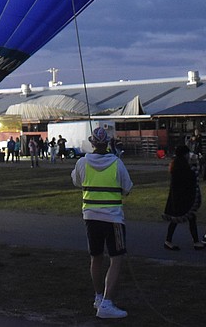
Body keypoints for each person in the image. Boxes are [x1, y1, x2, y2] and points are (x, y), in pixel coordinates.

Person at [72, 126, 132, 320]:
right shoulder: (117, 163)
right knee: (116, 258)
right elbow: (127, 188)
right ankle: (106, 303)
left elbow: (76, 181)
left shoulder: (82, 162)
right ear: (108, 143)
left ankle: (99, 297)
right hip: (113, 218)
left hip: (91, 217)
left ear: (92, 143)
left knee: (95, 257)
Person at [161, 145, 203, 251]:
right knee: (184, 217)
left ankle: (170, 240)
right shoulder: (182, 165)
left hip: (178, 197)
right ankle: (194, 241)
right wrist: (195, 165)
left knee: (179, 218)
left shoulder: (177, 164)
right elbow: (191, 178)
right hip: (183, 197)